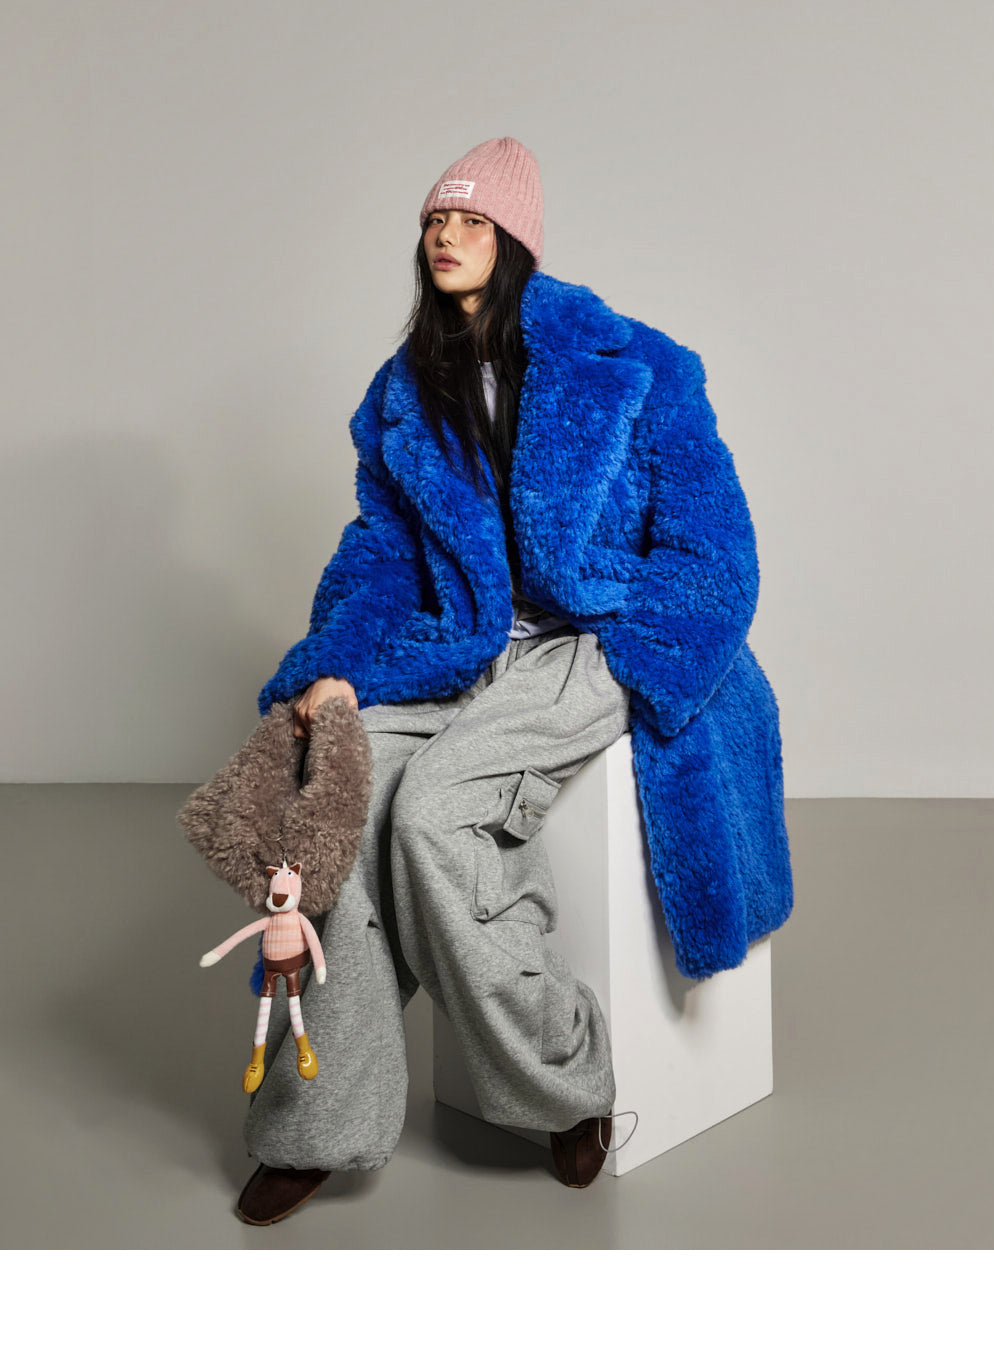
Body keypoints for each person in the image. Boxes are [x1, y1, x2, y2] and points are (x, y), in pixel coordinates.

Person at [235, 137, 794, 1226]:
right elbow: (382, 553)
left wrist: (648, 657)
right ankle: (316, 1122)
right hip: (463, 643)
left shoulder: (639, 365)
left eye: (471, 221)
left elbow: (714, 553)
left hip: (599, 635)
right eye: (433, 221)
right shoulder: (405, 391)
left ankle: (563, 1084)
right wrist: (338, 667)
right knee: (339, 802)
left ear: (516, 239)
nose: (445, 236)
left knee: (436, 812)